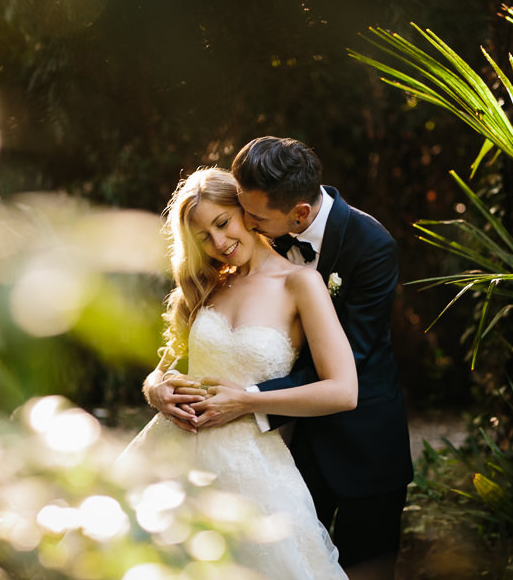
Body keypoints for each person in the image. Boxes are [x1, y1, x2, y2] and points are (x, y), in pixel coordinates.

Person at [189, 137, 413, 580]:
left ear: (300, 214)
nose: (244, 223)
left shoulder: (371, 246)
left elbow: (354, 359)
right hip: (284, 451)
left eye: (253, 216)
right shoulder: (245, 254)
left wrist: (246, 397)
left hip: (361, 445)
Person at [130, 167, 356, 579]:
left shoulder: (301, 283)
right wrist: (156, 392)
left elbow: (343, 390)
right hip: (171, 455)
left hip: (252, 468)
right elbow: (162, 370)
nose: (219, 243)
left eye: (223, 223)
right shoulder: (206, 286)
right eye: (203, 237)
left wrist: (249, 400)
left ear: (245, 212)